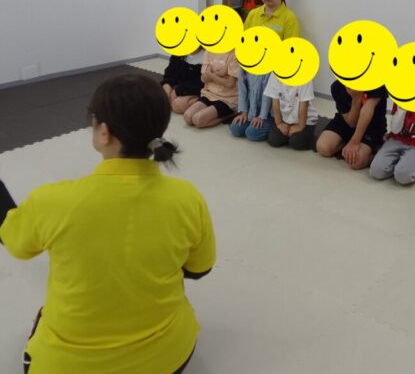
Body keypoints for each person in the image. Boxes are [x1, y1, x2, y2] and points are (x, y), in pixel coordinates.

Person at [0, 74, 215, 374]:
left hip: (67, 367)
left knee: (43, 317)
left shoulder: (52, 201)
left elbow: (14, 240)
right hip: (169, 359)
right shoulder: (187, 198)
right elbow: (199, 269)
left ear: (104, 132)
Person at [315, 80, 387, 170]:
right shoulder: (337, 86)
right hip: (347, 120)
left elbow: (367, 110)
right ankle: (348, 145)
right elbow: (351, 123)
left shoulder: (376, 83)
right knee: (323, 147)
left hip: (372, 125)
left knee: (356, 162)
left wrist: (355, 142)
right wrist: (356, 98)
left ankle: (372, 153)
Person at [184, 50, 239, 128]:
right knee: (187, 117)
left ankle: (229, 115)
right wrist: (219, 74)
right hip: (209, 94)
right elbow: (203, 79)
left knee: (198, 120)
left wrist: (210, 75)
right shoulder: (209, 51)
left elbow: (229, 83)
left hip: (227, 99)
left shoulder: (234, 54)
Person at [264, 73, 319, 151]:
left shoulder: (305, 75)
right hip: (285, 118)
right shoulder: (275, 74)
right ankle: (290, 135)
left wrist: (300, 126)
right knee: (274, 139)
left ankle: (312, 137)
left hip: (305, 120)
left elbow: (304, 105)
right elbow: (275, 101)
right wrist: (279, 123)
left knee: (296, 142)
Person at [230, 70, 272, 141]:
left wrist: (261, 117)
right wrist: (244, 113)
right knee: (235, 129)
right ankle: (252, 121)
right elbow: (242, 90)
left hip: (267, 114)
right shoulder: (243, 68)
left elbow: (267, 94)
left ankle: (271, 126)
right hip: (251, 111)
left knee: (252, 133)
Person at [160, 49, 205, 114]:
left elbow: (202, 83)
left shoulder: (207, 56)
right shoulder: (179, 51)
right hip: (180, 86)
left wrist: (178, 90)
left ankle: (204, 103)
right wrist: (167, 84)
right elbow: (170, 72)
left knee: (178, 105)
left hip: (198, 90)